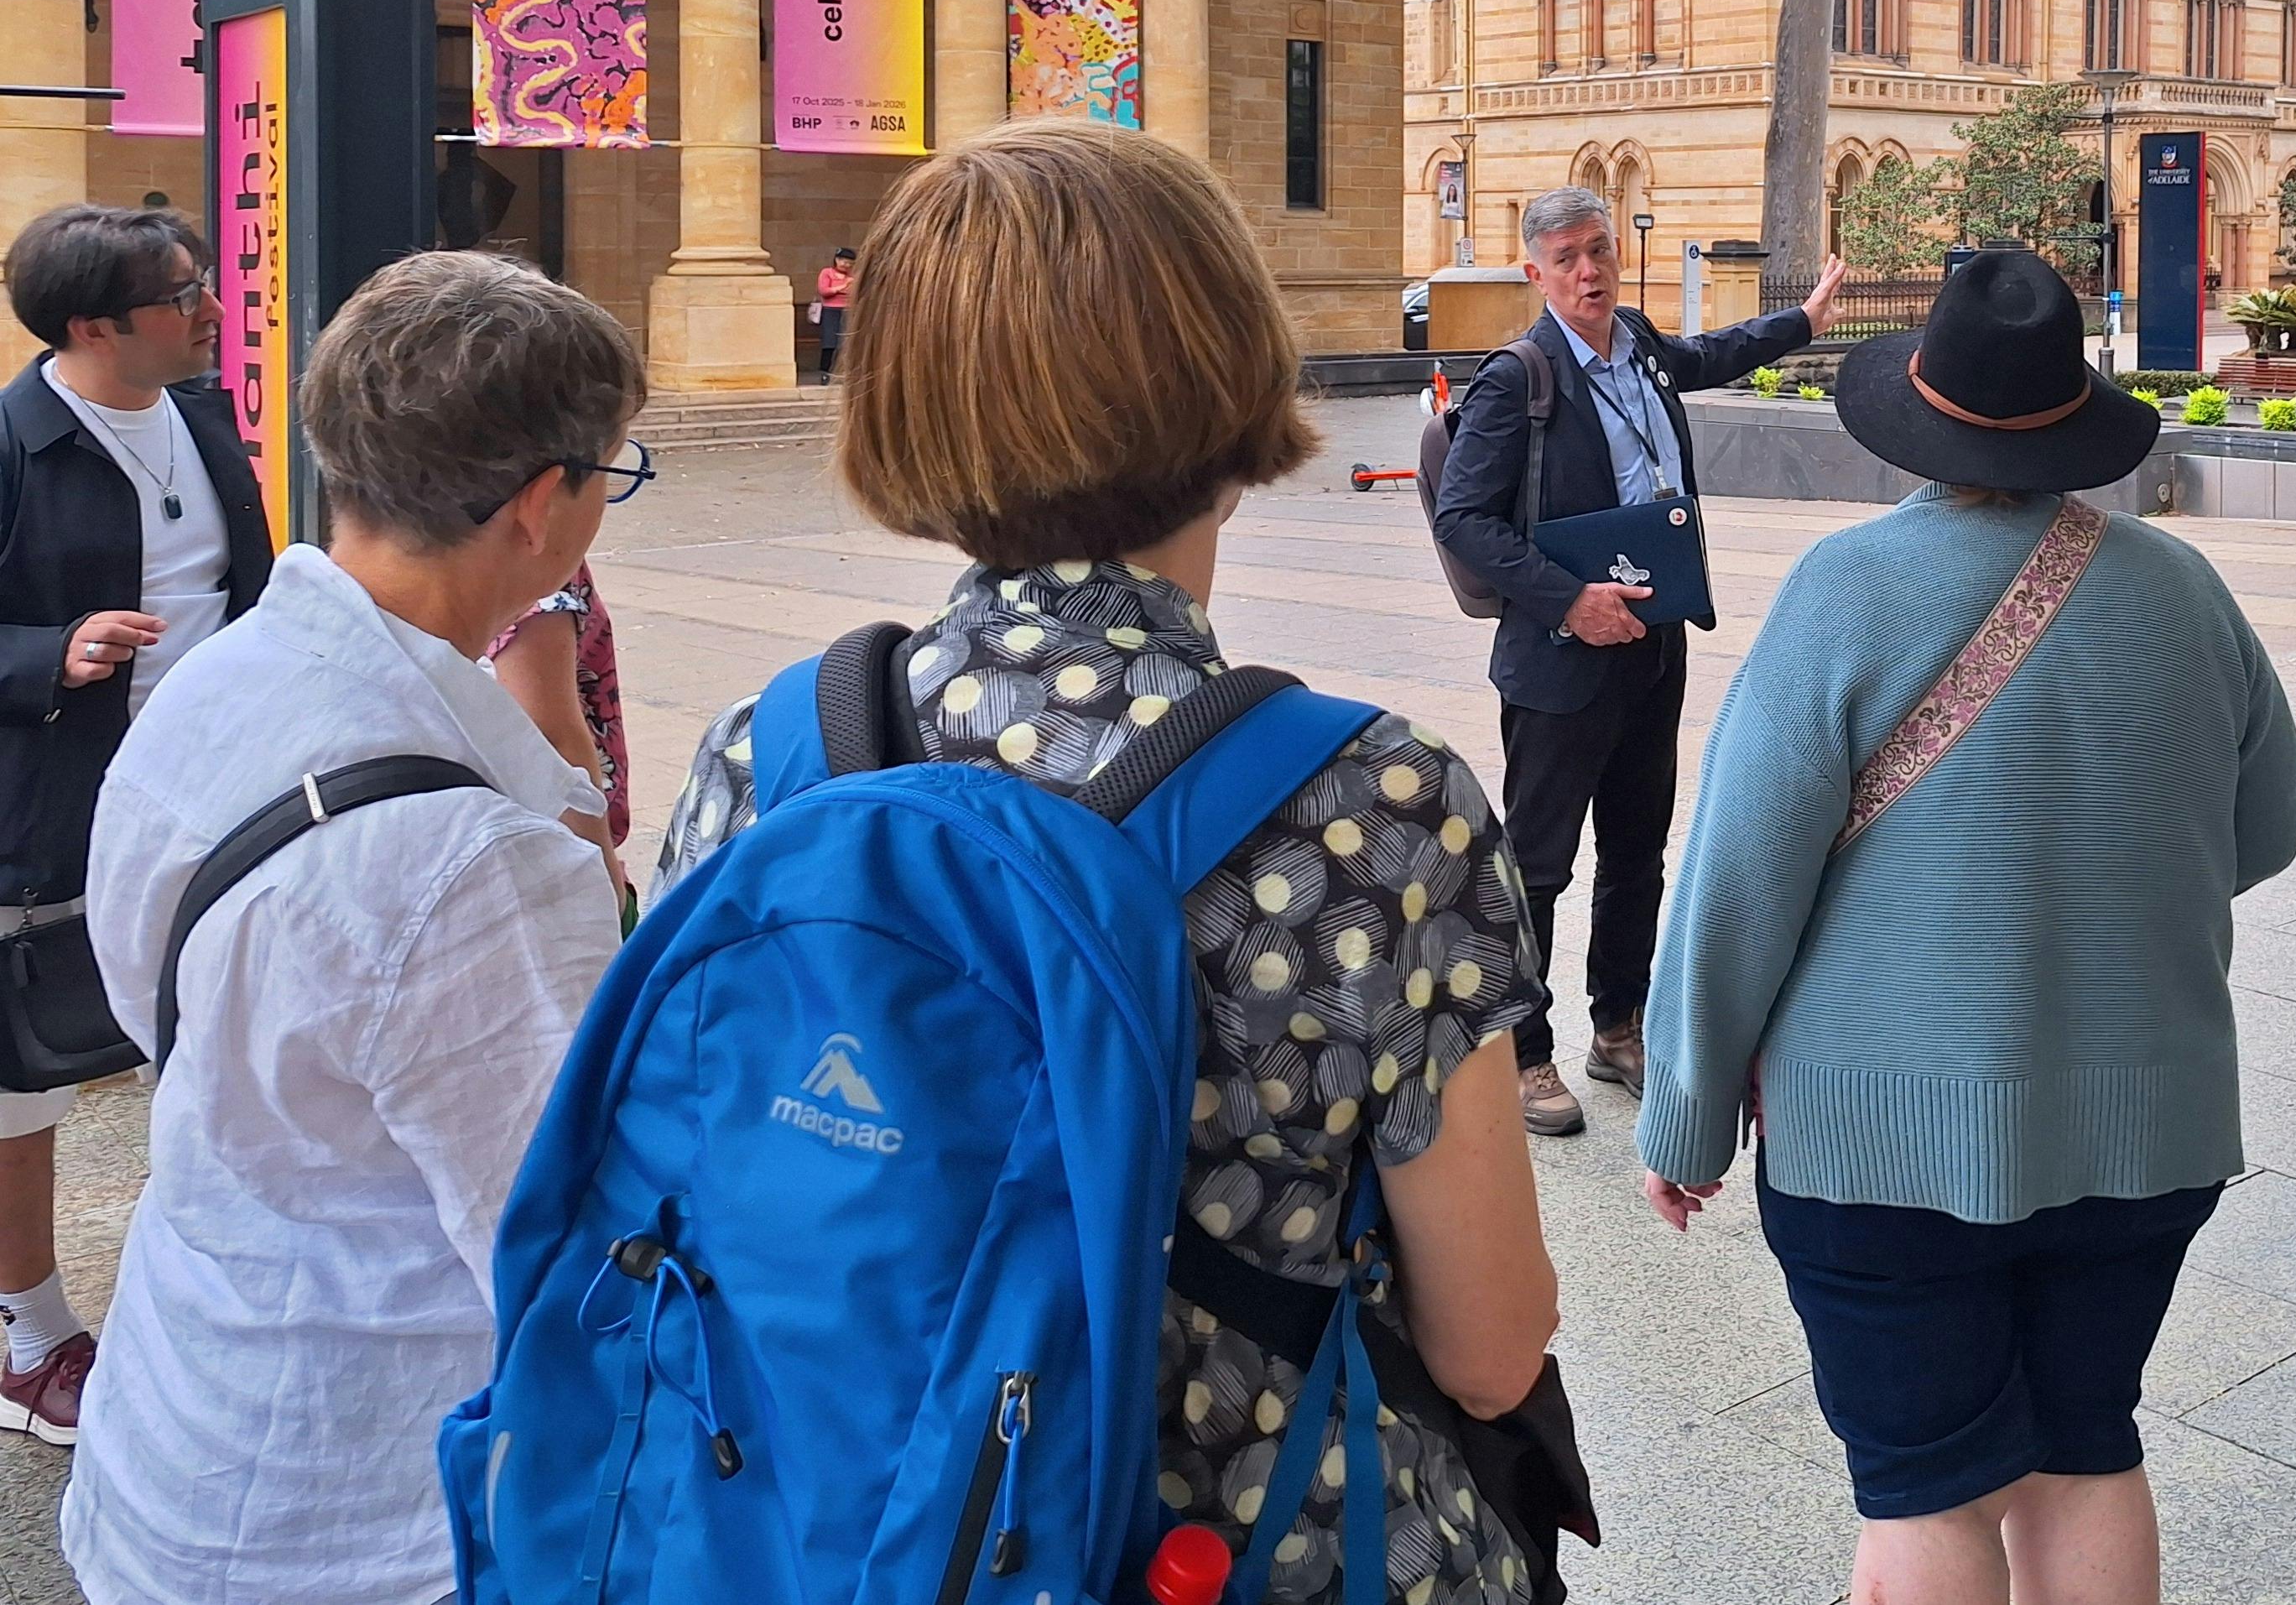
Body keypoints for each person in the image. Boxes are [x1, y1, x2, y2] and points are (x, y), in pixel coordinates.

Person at [656, 122, 1562, 1602]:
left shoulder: (766, 759)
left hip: (866, 1538)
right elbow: (1488, 1345)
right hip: (1270, 1549)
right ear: (1230, 380)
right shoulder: (1375, 800)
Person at [1633, 248, 2296, 1605]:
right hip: (2143, 1127)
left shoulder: (1847, 593)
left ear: (1917, 418)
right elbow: (2267, 829)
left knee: (1926, 1484)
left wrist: (1685, 1114)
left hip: (1883, 1143)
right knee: (2085, 1451)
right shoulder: (2184, 595)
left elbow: (1737, 884)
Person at [62, 252, 639, 1604]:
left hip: (181, 1404)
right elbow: (569, 1255)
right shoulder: (476, 861)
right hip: (360, 1500)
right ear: (544, 506)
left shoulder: (216, 684)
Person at [1431, 185, 1841, 1137]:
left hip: (1652, 650)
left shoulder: (1644, 347)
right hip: (1561, 659)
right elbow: (1463, 518)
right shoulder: (1518, 377)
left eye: (1601, 251)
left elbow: (1714, 355)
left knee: (1636, 854)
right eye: (1569, 257)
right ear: (1536, 272)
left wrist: (1803, 321)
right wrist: (1570, 600)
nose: (1590, 272)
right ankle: (1523, 1056)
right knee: (1538, 863)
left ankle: (1616, 1027)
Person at [0, 204, 272, 1446]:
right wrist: (58, 652)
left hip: (213, 787)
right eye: (182, 291)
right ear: (93, 325)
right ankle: (30, 1334)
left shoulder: (206, 418)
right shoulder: (13, 445)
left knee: (205, 1038)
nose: (211, 305)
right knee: (22, 1083)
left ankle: (193, 1304)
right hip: (58, 805)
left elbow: (248, 588)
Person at [490, 560, 636, 908]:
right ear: (541, 503)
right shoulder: (538, 559)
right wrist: (604, 885)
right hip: (548, 861)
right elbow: (550, 741)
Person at [812, 245, 855, 383]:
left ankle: (845, 372)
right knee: (829, 342)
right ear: (836, 260)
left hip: (848, 309)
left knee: (846, 342)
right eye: (843, 261)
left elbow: (855, 292)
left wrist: (838, 289)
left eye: (849, 263)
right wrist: (842, 287)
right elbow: (824, 291)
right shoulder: (827, 273)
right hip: (830, 310)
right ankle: (825, 372)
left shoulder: (852, 277)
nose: (846, 265)